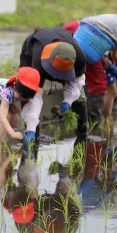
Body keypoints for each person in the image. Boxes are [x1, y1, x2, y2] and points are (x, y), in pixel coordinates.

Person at [19, 27, 87, 158]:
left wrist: (68, 101)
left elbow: (77, 81)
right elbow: (36, 94)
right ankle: (33, 137)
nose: (57, 77)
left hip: (64, 43)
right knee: (26, 90)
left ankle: (82, 134)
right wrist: (31, 127)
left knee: (80, 96)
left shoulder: (79, 57)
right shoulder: (37, 62)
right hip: (31, 51)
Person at [64, 20, 106, 124]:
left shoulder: (84, 50)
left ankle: (93, 138)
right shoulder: (89, 46)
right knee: (89, 118)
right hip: (91, 86)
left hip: (95, 88)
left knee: (93, 119)